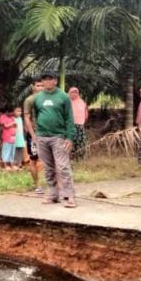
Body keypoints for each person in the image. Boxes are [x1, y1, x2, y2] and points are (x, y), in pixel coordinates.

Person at [30, 70, 77, 208]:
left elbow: (69, 118)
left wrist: (69, 137)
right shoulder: (38, 98)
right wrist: (37, 134)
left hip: (59, 137)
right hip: (42, 137)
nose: (47, 82)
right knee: (48, 168)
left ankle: (70, 196)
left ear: (55, 81)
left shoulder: (63, 97)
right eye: (44, 79)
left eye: (50, 79)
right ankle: (53, 194)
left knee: (63, 167)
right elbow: (37, 115)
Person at [22, 78, 45, 193]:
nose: (40, 88)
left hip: (48, 133)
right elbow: (27, 118)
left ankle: (55, 185)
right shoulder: (29, 100)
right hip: (34, 134)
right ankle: (37, 185)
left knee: (53, 159)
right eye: (38, 85)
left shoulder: (47, 98)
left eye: (42, 85)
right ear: (33, 87)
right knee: (33, 159)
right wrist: (32, 135)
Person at [68, 87, 88, 158]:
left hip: (80, 125)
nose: (74, 94)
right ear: (69, 93)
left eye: (75, 92)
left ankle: (80, 157)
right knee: (70, 141)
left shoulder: (82, 102)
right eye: (72, 92)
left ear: (78, 93)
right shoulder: (67, 102)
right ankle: (70, 157)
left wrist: (82, 122)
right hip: (70, 125)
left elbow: (85, 114)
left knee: (80, 141)